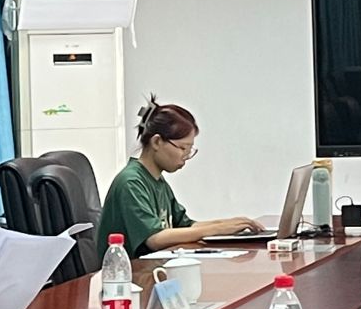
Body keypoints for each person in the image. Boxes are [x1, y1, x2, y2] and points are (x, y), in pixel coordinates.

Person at [96, 99, 259, 255]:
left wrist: (229, 224)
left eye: (189, 150)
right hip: (131, 271)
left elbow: (186, 226)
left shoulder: (158, 182)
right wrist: (216, 229)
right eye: (182, 148)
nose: (186, 156)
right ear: (156, 142)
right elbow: (154, 239)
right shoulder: (131, 182)